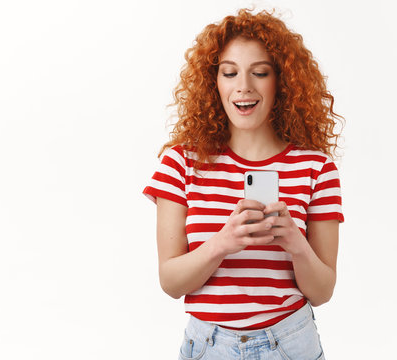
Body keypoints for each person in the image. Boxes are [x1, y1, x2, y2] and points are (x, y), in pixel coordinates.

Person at [143, 8, 344, 360]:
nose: (244, 86)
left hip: (291, 343)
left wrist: (296, 244)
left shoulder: (316, 168)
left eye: (260, 73)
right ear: (214, 81)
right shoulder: (180, 164)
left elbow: (323, 292)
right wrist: (223, 242)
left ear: (280, 80)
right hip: (207, 347)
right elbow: (171, 282)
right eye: (230, 72)